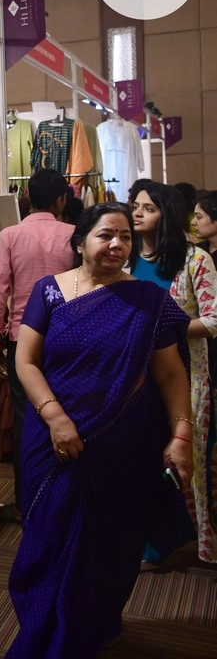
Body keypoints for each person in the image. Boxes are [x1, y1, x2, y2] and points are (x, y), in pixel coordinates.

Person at [6, 203, 193, 658]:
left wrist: (181, 437)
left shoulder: (149, 301)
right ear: (80, 243)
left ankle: (95, 623)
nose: (117, 244)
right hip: (54, 440)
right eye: (106, 234)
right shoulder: (50, 291)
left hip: (124, 443)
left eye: (125, 237)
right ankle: (47, 631)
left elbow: (171, 375)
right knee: (49, 536)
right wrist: (56, 418)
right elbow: (25, 361)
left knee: (113, 541)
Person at [131, 182, 217, 564]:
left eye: (148, 208)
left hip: (185, 378)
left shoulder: (195, 260)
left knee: (184, 463)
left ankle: (188, 537)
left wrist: (165, 331)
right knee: (142, 460)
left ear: (166, 214)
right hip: (135, 379)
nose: (137, 213)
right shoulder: (125, 259)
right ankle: (149, 542)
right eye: (135, 206)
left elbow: (213, 320)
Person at [0, 169, 75, 523]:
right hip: (66, 338)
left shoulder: (10, 235)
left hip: (23, 341)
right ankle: (66, 499)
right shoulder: (74, 235)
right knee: (66, 414)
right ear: (61, 200)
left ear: (26, 199)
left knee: (25, 421)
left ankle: (25, 504)